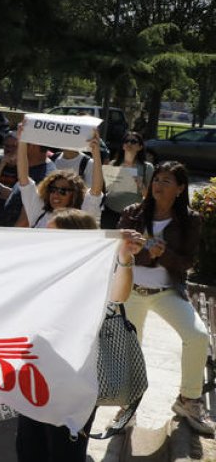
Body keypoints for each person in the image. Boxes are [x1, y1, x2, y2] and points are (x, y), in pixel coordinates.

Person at [15, 208, 144, 461]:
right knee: (29, 448)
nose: (45, 240)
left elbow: (119, 295)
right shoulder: (38, 269)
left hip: (74, 383)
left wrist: (124, 256)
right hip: (34, 376)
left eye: (53, 235)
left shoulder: (95, 272)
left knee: (64, 452)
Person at [115, 161, 213, 434]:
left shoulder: (190, 220)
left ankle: (188, 399)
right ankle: (127, 407)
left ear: (180, 189)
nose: (158, 185)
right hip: (130, 290)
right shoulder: (132, 213)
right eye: (157, 179)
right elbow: (116, 250)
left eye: (167, 181)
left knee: (197, 336)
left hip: (166, 292)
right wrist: (139, 251)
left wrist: (164, 255)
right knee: (129, 349)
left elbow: (187, 262)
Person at [14, 124, 103, 228]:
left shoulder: (81, 215)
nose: (56, 194)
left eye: (63, 191)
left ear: (74, 195)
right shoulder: (38, 210)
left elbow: (96, 190)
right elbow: (23, 178)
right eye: (53, 189)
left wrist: (96, 152)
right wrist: (22, 141)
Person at [102, 132, 155, 229]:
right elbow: (106, 188)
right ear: (123, 146)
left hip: (131, 215)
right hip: (109, 211)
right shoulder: (113, 164)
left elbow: (149, 196)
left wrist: (139, 182)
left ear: (140, 147)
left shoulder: (147, 167)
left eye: (133, 141)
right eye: (126, 141)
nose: (129, 144)